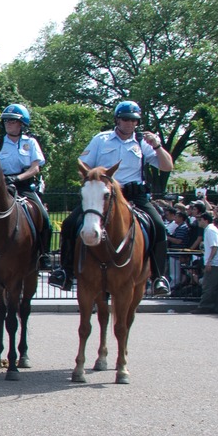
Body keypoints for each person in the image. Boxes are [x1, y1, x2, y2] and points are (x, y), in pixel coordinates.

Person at [49, 101, 173, 295]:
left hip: (133, 195)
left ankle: (158, 276)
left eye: (133, 120)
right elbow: (83, 164)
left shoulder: (142, 143)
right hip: (103, 195)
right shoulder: (101, 139)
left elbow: (167, 166)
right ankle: (65, 271)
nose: (129, 123)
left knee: (158, 226)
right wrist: (95, 181)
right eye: (125, 119)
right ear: (117, 119)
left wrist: (157, 145)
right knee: (70, 224)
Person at [0, 104, 53, 270]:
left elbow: (35, 168)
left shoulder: (31, 143)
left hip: (25, 186)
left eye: (13, 121)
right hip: (3, 187)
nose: (8, 124)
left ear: (22, 124)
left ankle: (44, 254)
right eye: (6, 121)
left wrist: (17, 178)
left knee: (44, 217)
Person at [191, 212, 218, 314]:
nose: (198, 222)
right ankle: (214, 307)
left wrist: (209, 261)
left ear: (205, 220)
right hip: (217, 261)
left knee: (209, 285)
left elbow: (214, 246)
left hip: (215, 262)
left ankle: (205, 306)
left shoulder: (210, 230)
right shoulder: (210, 229)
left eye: (200, 220)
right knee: (215, 286)